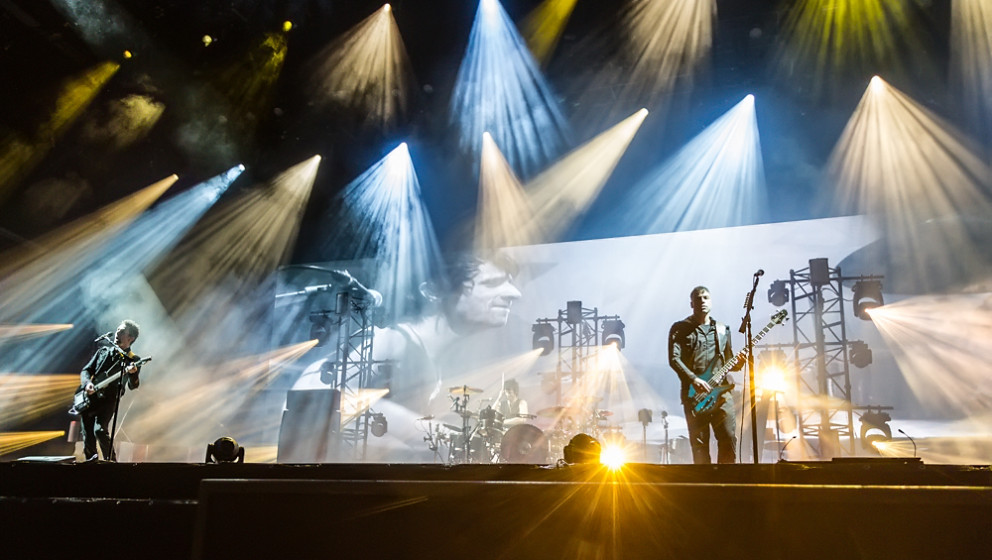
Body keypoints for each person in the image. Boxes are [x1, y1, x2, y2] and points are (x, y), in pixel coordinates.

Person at [288, 252, 522, 460]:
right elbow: (309, 394)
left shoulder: (431, 355)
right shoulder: (395, 340)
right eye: (491, 283)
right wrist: (422, 434)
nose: (515, 293)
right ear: (434, 291)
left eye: (510, 283)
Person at [668, 286, 742, 464]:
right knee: (700, 445)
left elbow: (728, 361)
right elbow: (674, 359)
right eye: (698, 298)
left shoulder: (723, 330)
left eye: (706, 297)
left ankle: (727, 478)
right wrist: (694, 379)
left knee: (728, 438)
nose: (702, 301)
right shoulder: (680, 329)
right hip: (695, 395)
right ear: (691, 303)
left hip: (722, 394)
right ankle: (705, 479)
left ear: (711, 302)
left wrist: (739, 362)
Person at [77, 320, 142, 461]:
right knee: (87, 434)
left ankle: (111, 462)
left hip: (109, 399)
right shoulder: (103, 352)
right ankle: (91, 463)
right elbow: (86, 370)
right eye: (118, 330)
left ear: (130, 338)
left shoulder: (133, 360)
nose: (117, 333)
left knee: (99, 430)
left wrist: (133, 373)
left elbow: (133, 385)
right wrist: (87, 383)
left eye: (122, 331)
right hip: (91, 397)